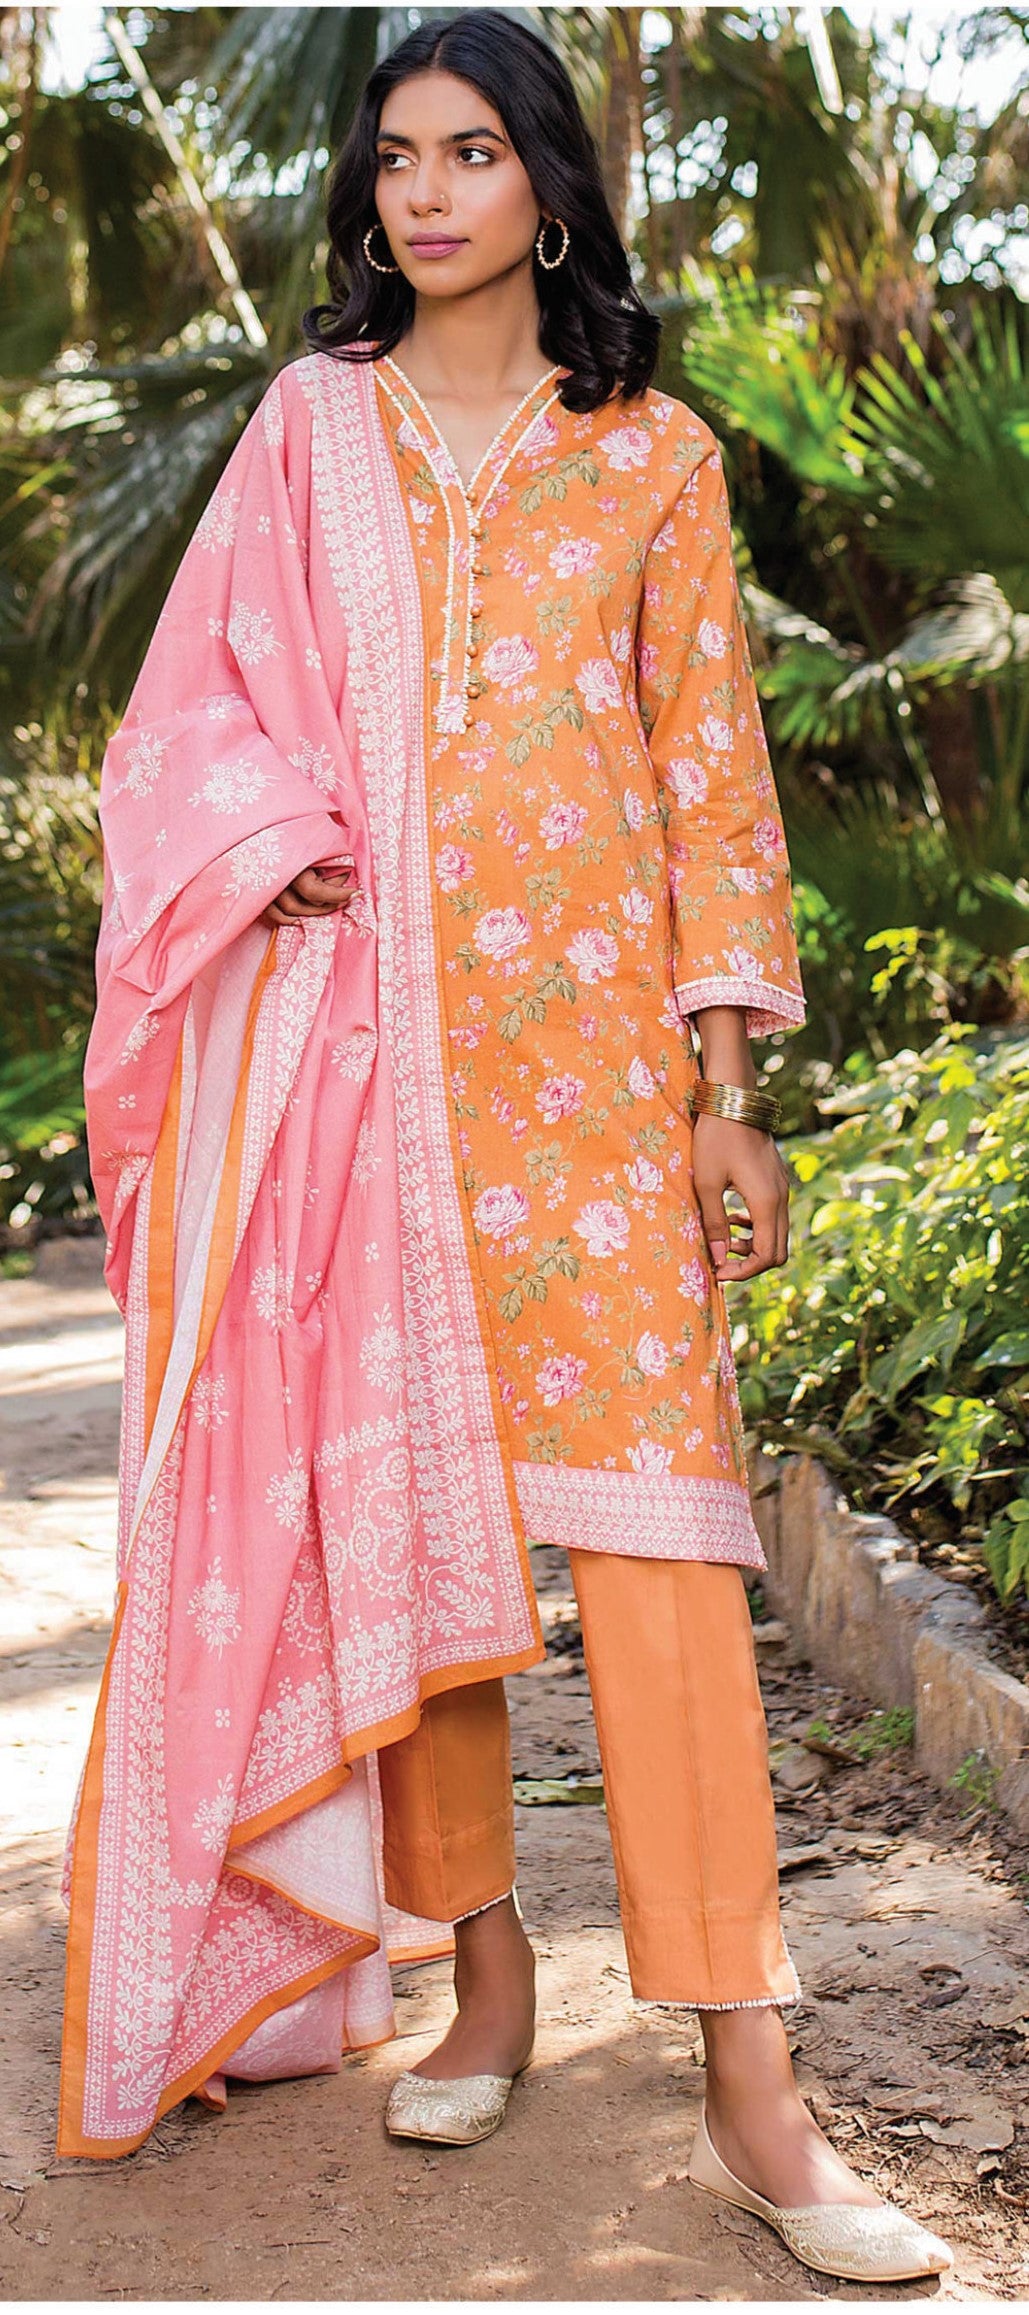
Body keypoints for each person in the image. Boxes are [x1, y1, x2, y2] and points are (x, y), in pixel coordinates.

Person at [59, 9, 950, 2285]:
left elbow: (704, 784)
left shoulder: (644, 456)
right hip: (370, 1078)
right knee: (414, 1550)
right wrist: (282, 840)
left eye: (471, 153)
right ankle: (485, 1983)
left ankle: (751, 2079)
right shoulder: (306, 430)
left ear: (546, 183)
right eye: (394, 158)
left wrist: (725, 1096)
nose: (426, 191)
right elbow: (188, 729)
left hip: (593, 1101)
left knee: (658, 1583)